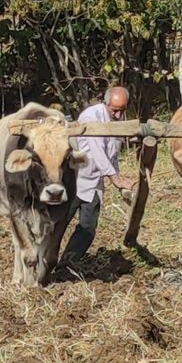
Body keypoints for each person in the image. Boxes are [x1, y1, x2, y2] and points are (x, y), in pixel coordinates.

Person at [60, 87, 134, 263]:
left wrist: (119, 176)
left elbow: (112, 153)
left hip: (94, 182)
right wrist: (115, 179)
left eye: (122, 110)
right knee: (58, 224)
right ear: (106, 103)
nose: (117, 115)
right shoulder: (91, 117)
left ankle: (67, 263)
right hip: (75, 178)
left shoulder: (118, 121)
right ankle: (44, 260)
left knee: (88, 228)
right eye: (114, 110)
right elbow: (97, 150)